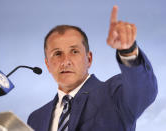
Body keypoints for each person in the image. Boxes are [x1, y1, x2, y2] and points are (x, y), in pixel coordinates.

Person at [27, 6, 157, 131]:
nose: (65, 61)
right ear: (47, 64)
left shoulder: (115, 94)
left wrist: (128, 51)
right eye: (57, 54)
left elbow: (143, 91)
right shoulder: (35, 119)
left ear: (89, 59)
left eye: (74, 51)